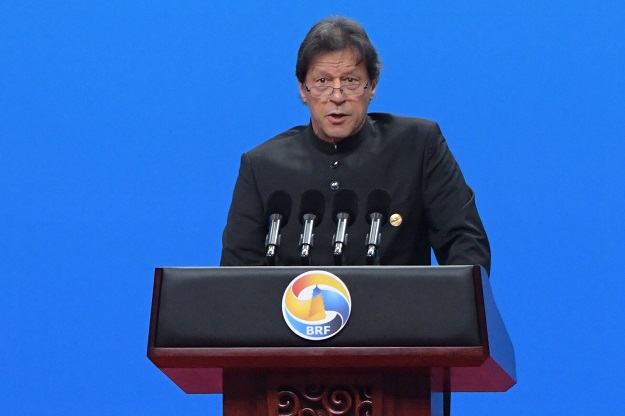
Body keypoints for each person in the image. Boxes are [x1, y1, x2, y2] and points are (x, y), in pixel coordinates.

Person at [220, 16, 491, 274]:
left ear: (372, 86)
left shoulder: (417, 145)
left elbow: (466, 245)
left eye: (350, 81)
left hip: (400, 319)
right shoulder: (262, 166)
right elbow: (236, 279)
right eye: (322, 81)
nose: (337, 96)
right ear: (303, 90)